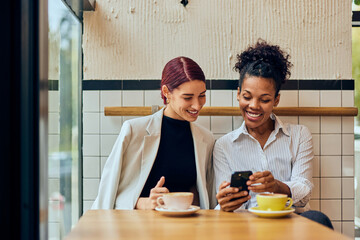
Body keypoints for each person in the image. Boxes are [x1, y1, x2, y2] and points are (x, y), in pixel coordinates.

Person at [213, 40, 333, 229]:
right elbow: (226, 203)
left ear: (276, 99)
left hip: (292, 225)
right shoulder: (223, 145)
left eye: (265, 99)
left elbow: (304, 190)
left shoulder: (299, 135)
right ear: (238, 94)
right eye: (247, 96)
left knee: (317, 219)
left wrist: (277, 186)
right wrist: (224, 205)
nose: (253, 105)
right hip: (247, 227)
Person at [92, 56, 216, 210]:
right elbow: (107, 194)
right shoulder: (133, 130)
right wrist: (141, 203)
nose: (197, 105)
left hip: (187, 227)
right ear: (166, 92)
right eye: (188, 97)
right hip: (140, 228)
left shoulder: (206, 139)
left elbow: (206, 198)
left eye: (202, 96)